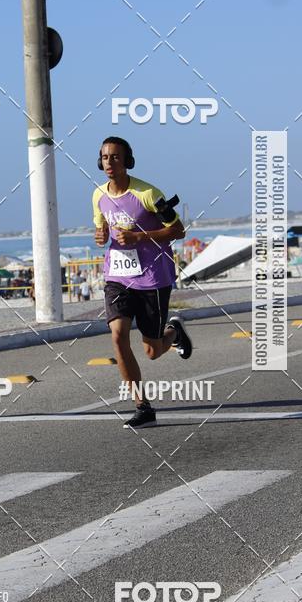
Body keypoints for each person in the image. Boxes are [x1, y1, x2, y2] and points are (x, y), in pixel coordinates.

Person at [93, 136, 192, 429]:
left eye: (115, 157)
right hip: (118, 277)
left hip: (153, 278)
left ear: (127, 161)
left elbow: (178, 230)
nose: (109, 162)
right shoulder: (98, 194)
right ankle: (142, 406)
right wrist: (100, 235)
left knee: (152, 350)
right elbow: (101, 228)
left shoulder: (148, 194)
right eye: (105, 157)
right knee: (118, 336)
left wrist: (139, 237)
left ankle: (174, 333)